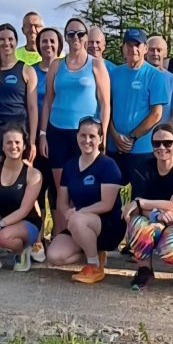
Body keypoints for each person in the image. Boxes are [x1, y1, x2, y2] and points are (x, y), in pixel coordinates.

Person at [40, 18, 112, 242]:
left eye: (80, 34)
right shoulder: (56, 65)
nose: (76, 38)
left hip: (87, 136)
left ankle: (81, 235)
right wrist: (42, 133)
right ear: (66, 37)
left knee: (82, 187)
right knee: (61, 189)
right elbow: (48, 101)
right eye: (70, 34)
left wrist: (103, 136)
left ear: (86, 36)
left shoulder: (96, 64)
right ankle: (63, 236)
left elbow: (105, 102)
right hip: (57, 131)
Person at [46, 117, 125, 284]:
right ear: (77, 137)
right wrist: (67, 213)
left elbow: (107, 204)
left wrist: (79, 214)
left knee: (78, 219)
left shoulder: (108, 165)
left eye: (92, 136)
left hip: (108, 226)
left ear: (101, 139)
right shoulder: (70, 166)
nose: (87, 140)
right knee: (54, 256)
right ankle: (92, 251)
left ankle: (94, 265)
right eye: (83, 135)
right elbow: (62, 201)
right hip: (79, 221)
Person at [123, 124, 173, 290]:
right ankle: (145, 271)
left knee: (169, 249)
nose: (162, 147)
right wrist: (156, 215)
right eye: (157, 143)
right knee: (136, 222)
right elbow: (134, 209)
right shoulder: (142, 169)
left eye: (167, 143)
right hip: (154, 221)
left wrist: (143, 203)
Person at [0, 124, 44, 273]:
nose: (13, 146)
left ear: (24, 145)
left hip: (27, 221)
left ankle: (21, 252)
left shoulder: (34, 174)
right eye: (9, 142)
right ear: (2, 147)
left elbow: (24, 210)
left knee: (3, 237)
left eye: (17, 142)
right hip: (2, 216)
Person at [106, 28, 168, 185]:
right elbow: (106, 106)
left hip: (142, 149)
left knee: (140, 198)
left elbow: (156, 114)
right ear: (123, 48)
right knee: (113, 198)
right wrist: (113, 134)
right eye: (129, 45)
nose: (132, 49)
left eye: (137, 45)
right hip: (115, 147)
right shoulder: (113, 73)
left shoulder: (154, 75)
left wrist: (132, 137)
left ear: (145, 49)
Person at [0, 24, 39, 162]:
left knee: (18, 176)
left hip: (18, 129)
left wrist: (32, 141)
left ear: (16, 42)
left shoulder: (27, 70)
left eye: (10, 39)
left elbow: (33, 108)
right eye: (2, 39)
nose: (6, 43)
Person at [29, 26, 61, 258]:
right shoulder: (29, 71)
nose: (48, 45)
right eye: (44, 41)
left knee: (59, 191)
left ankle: (60, 237)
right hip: (36, 136)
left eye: (52, 41)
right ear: (38, 46)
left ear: (59, 45)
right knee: (37, 189)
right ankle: (37, 239)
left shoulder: (65, 70)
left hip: (60, 136)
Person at [147, 35, 173, 127]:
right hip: (138, 137)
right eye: (151, 49)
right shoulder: (137, 78)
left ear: (165, 53)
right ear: (145, 51)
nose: (155, 53)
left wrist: (158, 134)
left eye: (159, 50)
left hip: (162, 137)